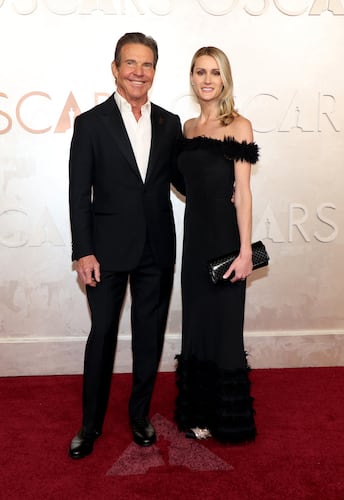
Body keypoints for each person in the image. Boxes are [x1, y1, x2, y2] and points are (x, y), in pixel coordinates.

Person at [68, 32, 184, 459]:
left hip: (157, 248)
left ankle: (140, 416)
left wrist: (221, 181)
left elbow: (182, 181)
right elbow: (79, 195)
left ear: (155, 71)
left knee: (149, 336)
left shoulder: (170, 123)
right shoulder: (90, 123)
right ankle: (90, 424)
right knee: (102, 335)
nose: (139, 72)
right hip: (105, 252)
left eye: (147, 64)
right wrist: (83, 251)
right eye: (130, 63)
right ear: (115, 69)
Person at [174, 47, 259, 443]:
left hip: (226, 241)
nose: (207, 79)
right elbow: (183, 184)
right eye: (200, 72)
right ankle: (198, 413)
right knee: (196, 325)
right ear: (192, 78)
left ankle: (227, 418)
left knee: (224, 328)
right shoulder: (188, 129)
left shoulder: (238, 126)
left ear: (225, 79)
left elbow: (243, 192)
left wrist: (245, 252)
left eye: (215, 72)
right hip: (194, 244)